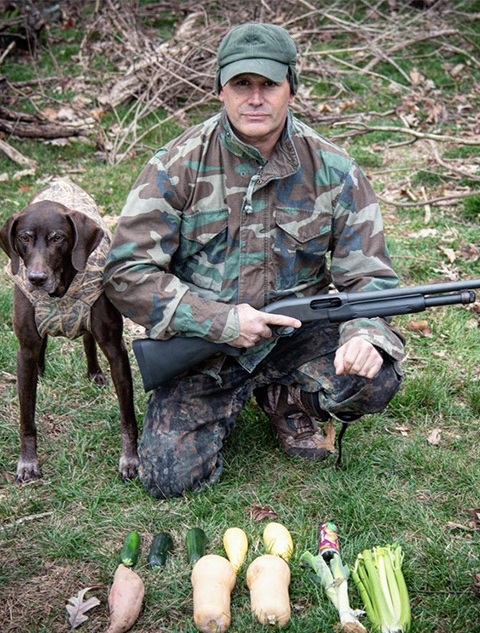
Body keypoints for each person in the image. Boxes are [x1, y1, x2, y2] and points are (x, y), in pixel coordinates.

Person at [103, 23, 405, 498]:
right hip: (205, 338)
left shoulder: (335, 169)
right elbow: (126, 274)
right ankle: (243, 392)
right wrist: (220, 321)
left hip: (297, 332)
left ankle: (289, 396)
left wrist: (366, 333)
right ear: (221, 89)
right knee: (168, 479)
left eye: (269, 85)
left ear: (291, 89)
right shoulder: (175, 165)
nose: (255, 99)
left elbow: (369, 274)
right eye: (242, 84)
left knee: (375, 379)